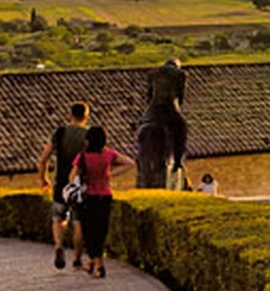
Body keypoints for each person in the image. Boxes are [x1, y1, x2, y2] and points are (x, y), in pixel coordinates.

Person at [40, 100, 93, 271]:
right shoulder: (90, 134)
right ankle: (77, 259)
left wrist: (44, 177)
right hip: (81, 185)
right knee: (79, 222)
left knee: (58, 218)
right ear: (86, 117)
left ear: (70, 115)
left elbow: (43, 159)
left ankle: (58, 246)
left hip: (61, 183)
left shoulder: (59, 132)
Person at [71, 119, 126, 279]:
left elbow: (72, 177)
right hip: (106, 196)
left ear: (88, 140)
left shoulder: (82, 157)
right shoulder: (109, 154)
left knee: (89, 232)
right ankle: (93, 263)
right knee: (101, 232)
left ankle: (99, 266)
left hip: (89, 198)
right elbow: (129, 162)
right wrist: (109, 174)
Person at [136, 57, 187, 190]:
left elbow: (148, 96)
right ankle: (178, 160)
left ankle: (138, 156)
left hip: (151, 111)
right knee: (182, 127)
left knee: (141, 127)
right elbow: (180, 96)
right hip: (169, 109)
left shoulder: (152, 73)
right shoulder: (180, 74)